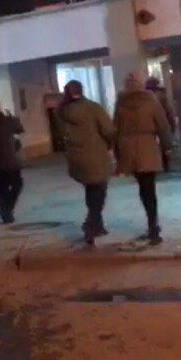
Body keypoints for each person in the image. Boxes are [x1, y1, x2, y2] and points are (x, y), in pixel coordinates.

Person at [114, 73, 173, 245]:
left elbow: (115, 129)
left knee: (142, 188)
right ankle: (153, 226)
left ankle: (151, 225)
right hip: (147, 147)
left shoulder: (121, 103)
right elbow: (162, 126)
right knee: (149, 189)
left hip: (128, 150)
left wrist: (118, 153)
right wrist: (167, 146)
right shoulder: (150, 101)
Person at [57, 80, 115, 245]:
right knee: (99, 190)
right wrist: (110, 145)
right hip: (95, 155)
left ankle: (97, 226)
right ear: (81, 90)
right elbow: (108, 130)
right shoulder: (93, 108)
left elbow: (61, 134)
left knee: (91, 189)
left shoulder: (61, 111)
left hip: (76, 157)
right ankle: (90, 224)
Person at [145, 76, 175, 173]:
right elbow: (168, 110)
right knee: (164, 143)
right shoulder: (162, 95)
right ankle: (165, 164)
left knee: (154, 145)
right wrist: (172, 124)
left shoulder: (145, 96)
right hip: (162, 122)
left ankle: (156, 164)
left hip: (150, 124)